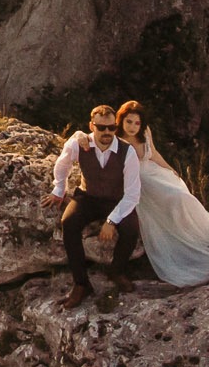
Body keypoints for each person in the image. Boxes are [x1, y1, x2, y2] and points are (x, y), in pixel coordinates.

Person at [72, 100, 209, 287]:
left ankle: (203, 235)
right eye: (128, 122)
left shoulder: (145, 133)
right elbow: (90, 136)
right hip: (140, 182)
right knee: (175, 199)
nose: (133, 127)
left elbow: (154, 154)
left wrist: (171, 170)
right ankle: (185, 243)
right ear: (121, 121)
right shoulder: (114, 138)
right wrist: (78, 135)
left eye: (137, 123)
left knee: (182, 195)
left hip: (153, 173)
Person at [45, 103, 140, 310]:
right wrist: (59, 189)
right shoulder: (79, 144)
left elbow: (133, 193)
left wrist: (111, 221)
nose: (107, 132)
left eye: (111, 127)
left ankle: (116, 271)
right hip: (87, 197)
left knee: (131, 228)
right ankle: (81, 284)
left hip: (116, 199)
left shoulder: (127, 152)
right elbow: (62, 165)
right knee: (68, 223)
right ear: (92, 125)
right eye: (101, 127)